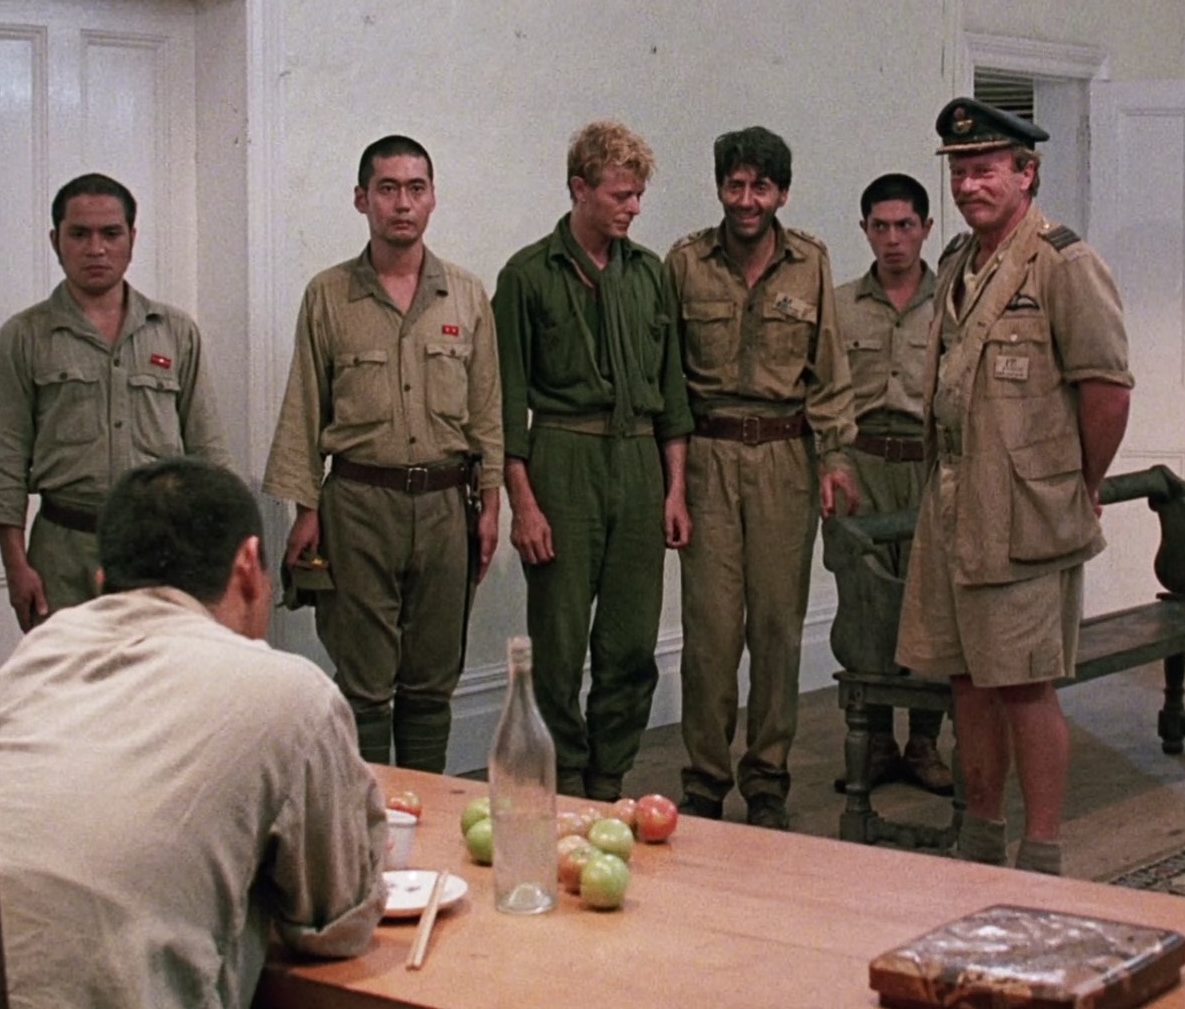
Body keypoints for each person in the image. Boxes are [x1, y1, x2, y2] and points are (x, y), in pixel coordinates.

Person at [0, 457, 387, 1007]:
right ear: (248, 565)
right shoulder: (290, 691)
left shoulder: (33, 658)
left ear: (103, 583)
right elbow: (337, 925)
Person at [896, 99, 1132, 876]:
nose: (969, 184)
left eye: (986, 169)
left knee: (1025, 685)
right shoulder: (958, 262)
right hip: (955, 504)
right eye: (960, 171)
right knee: (967, 678)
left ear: (1027, 174)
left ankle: (1043, 849)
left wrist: (1081, 484)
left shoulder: (1064, 264)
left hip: (1025, 514)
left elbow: (1107, 392)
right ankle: (981, 834)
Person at [264, 135, 503, 772]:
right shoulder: (328, 295)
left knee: (431, 681)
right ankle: (368, 812)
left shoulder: (467, 295)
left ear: (433, 199)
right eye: (388, 189)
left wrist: (491, 507)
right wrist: (305, 511)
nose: (402, 203)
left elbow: (487, 410)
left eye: (415, 189)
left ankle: (426, 809)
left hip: (447, 505)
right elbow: (304, 406)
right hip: (358, 507)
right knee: (365, 683)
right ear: (361, 199)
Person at [493, 121, 694, 802]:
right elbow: (507, 403)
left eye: (638, 196)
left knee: (632, 638)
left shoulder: (650, 275)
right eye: (620, 195)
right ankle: (565, 778)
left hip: (638, 460)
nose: (633, 208)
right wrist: (523, 503)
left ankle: (609, 776)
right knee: (558, 640)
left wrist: (674, 490)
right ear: (579, 188)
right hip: (562, 458)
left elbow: (672, 394)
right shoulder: (526, 276)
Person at [666, 126, 859, 830]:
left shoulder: (810, 264)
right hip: (709, 459)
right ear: (720, 187)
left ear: (783, 193)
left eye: (762, 187)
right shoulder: (686, 263)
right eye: (735, 185)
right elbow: (669, 380)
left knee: (778, 627)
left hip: (784, 460)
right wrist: (672, 483)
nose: (747, 200)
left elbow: (829, 371)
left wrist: (836, 457)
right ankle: (705, 777)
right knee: (710, 633)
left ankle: (768, 775)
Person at [0, 172, 232, 632]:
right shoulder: (24, 337)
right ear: (55, 241)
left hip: (160, 549)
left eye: (111, 233)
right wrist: (16, 566)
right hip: (62, 552)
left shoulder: (174, 332)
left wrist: (215, 556)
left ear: (132, 239)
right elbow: (3, 460)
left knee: (159, 670)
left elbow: (208, 453)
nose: (96, 248)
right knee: (71, 674)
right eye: (79, 234)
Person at [829, 172, 954, 795]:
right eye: (880, 227)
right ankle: (875, 740)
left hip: (930, 464)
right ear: (865, 230)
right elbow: (823, 392)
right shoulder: (839, 304)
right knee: (867, 604)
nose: (894, 239)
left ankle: (924, 742)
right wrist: (832, 462)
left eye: (905, 225)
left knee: (934, 602)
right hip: (862, 464)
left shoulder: (954, 303)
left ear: (927, 228)